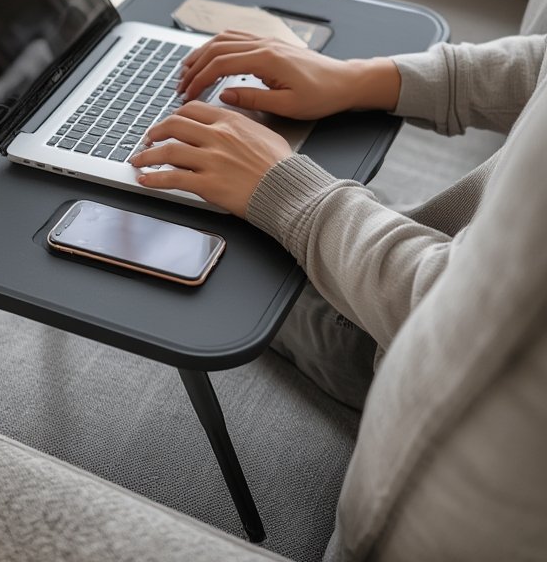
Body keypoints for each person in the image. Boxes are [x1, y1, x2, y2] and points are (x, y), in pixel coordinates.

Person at [128, 29, 547, 407]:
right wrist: (356, 78)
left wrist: (282, 187)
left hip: (388, 336)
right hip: (457, 236)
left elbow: (451, 320)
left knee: (202, 232)